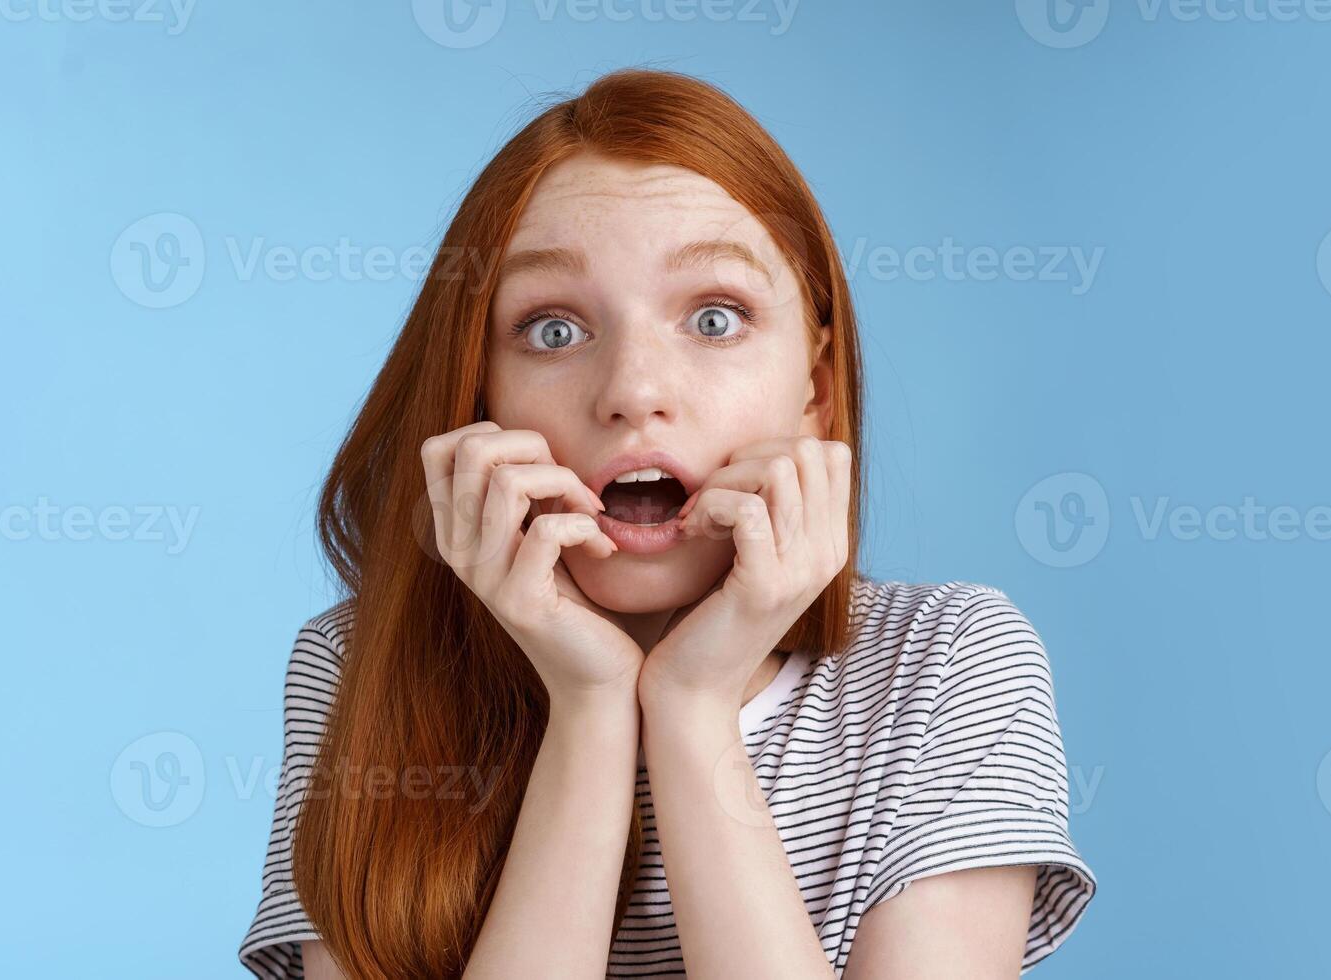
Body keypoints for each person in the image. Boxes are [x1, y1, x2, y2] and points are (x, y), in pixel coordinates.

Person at [239, 69, 1094, 978]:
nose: (634, 392)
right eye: (553, 330)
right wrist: (591, 707)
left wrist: (690, 710)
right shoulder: (358, 670)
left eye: (715, 318)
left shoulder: (948, 664)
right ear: (478, 393)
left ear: (819, 388)